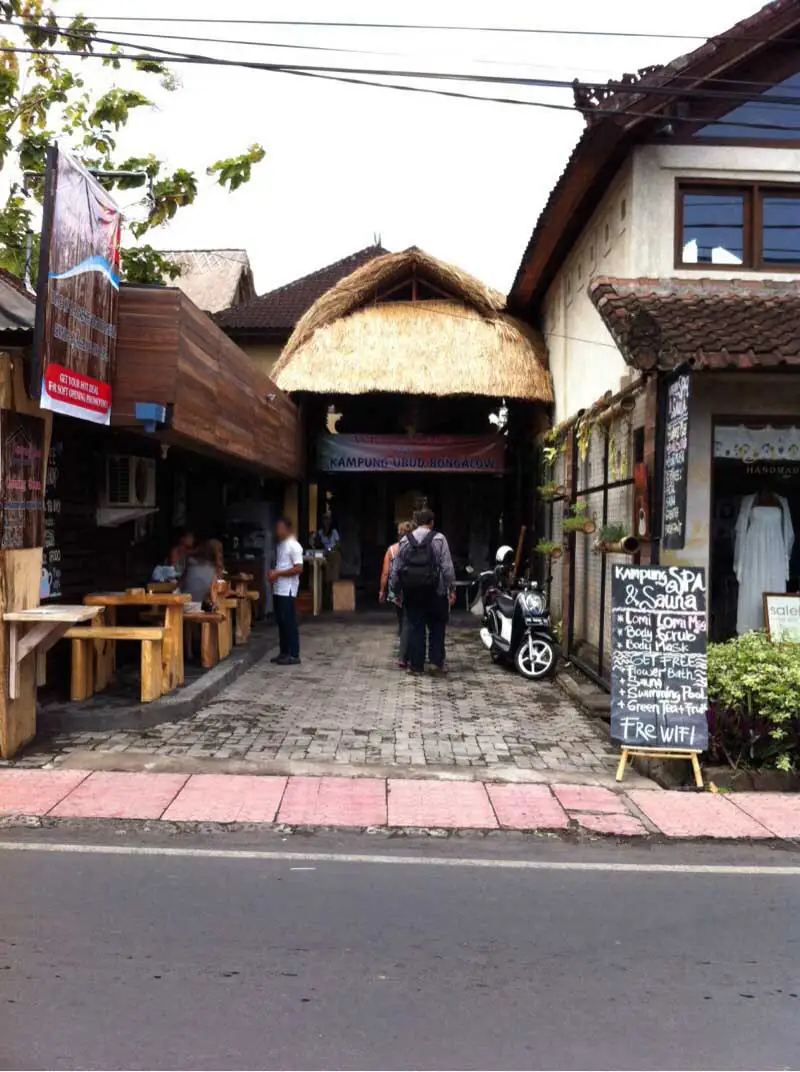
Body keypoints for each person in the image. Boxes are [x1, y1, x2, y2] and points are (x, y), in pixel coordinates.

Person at [390, 508, 455, 675]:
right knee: (437, 626)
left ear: (416, 523)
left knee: (415, 626)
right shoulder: (440, 539)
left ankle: (416, 666)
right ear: (432, 522)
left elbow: (396, 568)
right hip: (436, 590)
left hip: (412, 591)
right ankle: (435, 663)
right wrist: (451, 588)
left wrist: (396, 590)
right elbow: (447, 568)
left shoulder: (405, 540)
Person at [269, 516, 304, 666]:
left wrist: (278, 574)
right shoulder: (280, 545)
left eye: (281, 528)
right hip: (278, 588)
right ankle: (284, 652)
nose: (278, 531)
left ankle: (294, 654)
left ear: (288, 528)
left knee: (289, 621)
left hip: (288, 589)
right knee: (281, 621)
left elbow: (298, 568)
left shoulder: (294, 546)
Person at [379, 520, 414, 669]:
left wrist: (382, 591)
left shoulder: (392, 550)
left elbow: (386, 573)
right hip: (412, 588)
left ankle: (403, 654)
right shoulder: (415, 548)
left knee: (402, 622)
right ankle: (408, 654)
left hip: (396, 591)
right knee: (411, 621)